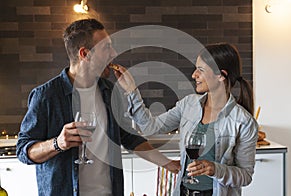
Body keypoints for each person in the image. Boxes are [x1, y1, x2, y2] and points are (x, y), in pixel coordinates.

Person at [16, 18, 180, 196]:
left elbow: (128, 137)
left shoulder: (109, 91)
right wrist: (58, 143)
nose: (114, 53)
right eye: (106, 48)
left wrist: (168, 164)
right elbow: (24, 151)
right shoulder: (46, 95)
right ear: (85, 54)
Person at [114, 43, 258, 196]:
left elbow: (245, 176)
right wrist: (131, 90)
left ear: (220, 75)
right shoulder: (188, 105)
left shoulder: (243, 122)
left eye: (200, 70)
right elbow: (150, 126)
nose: (194, 75)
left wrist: (215, 169)